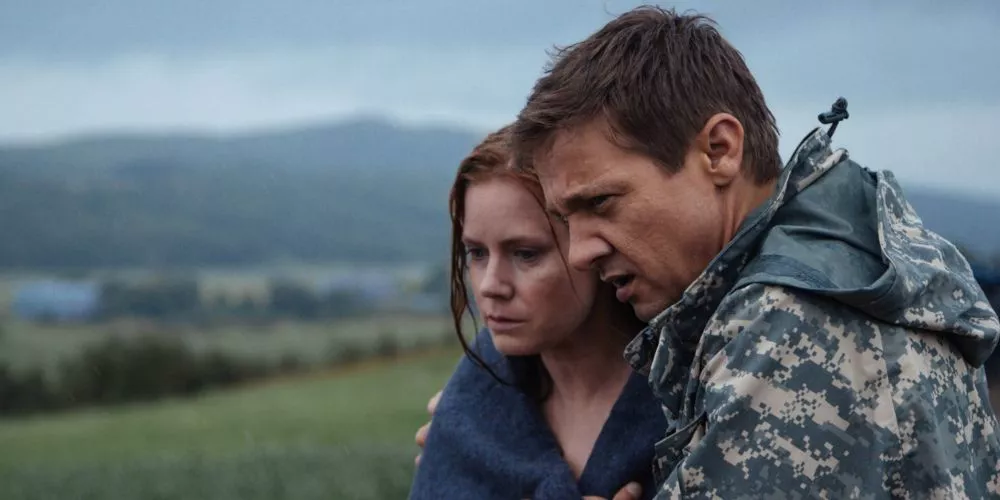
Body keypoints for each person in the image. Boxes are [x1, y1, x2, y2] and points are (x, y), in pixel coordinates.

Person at [421, 6, 1000, 499]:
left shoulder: (789, 331)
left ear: (719, 151)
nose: (579, 253)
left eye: (601, 203)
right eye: (566, 220)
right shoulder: (841, 257)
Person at [408, 126, 665, 499]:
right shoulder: (470, 416)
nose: (490, 285)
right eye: (476, 253)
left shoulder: (691, 402)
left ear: (590, 248)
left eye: (526, 253)